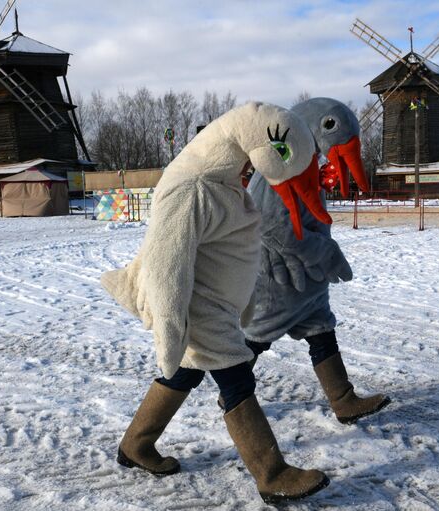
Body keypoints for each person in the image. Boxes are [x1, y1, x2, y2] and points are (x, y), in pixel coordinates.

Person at [101, 102, 331, 504]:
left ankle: (136, 445)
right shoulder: (189, 188)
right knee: (236, 380)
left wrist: (242, 303)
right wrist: (169, 328)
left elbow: (228, 250)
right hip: (196, 307)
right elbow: (164, 264)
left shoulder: (220, 181)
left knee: (185, 373)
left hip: (214, 305)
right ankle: (271, 474)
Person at [243, 97, 390, 424]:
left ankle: (344, 400)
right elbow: (272, 225)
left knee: (322, 331)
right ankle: (233, 397)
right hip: (279, 278)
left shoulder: (303, 161)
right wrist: (325, 253)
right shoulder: (279, 165)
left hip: (307, 279)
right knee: (255, 337)